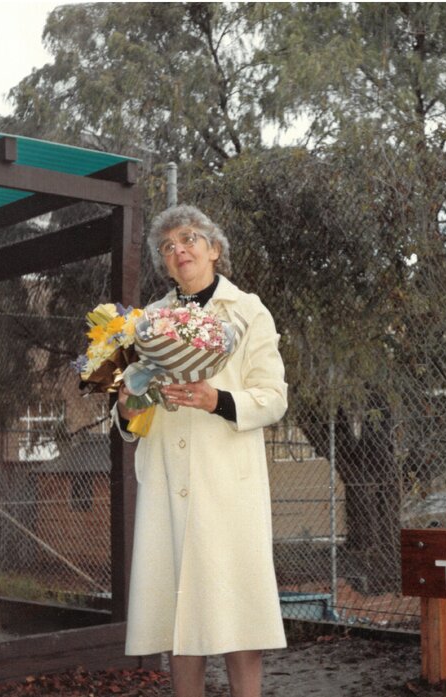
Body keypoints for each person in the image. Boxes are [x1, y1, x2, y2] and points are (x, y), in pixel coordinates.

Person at [114, 204, 287, 697]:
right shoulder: (148, 321)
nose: (179, 250)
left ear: (214, 248)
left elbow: (273, 398)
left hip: (226, 485)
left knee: (239, 620)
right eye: (167, 247)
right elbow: (135, 408)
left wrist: (218, 401)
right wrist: (126, 407)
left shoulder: (248, 311)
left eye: (189, 239)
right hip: (168, 481)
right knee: (179, 621)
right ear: (165, 264)